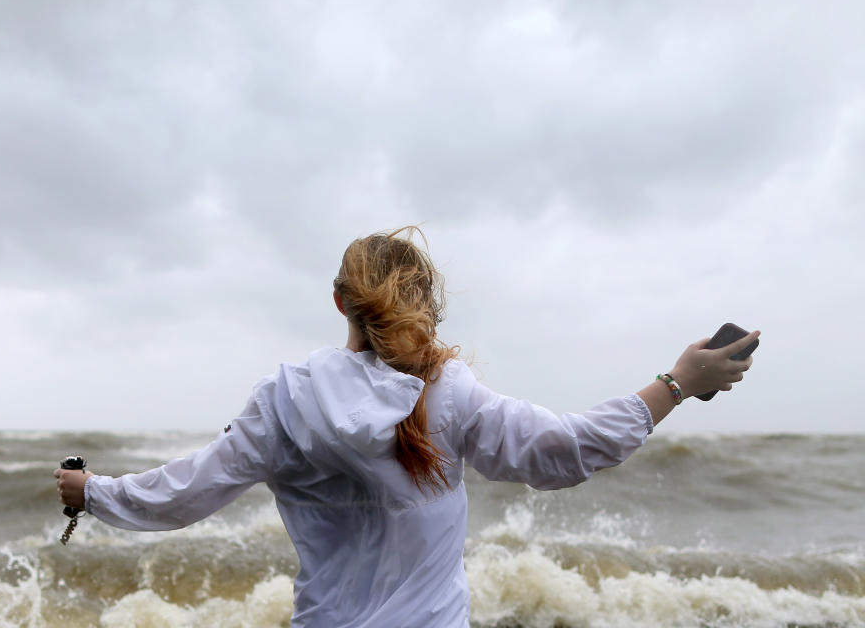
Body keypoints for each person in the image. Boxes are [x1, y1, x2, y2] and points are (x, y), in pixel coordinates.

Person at [55, 226, 758, 627]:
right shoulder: (446, 390)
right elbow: (566, 452)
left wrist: (92, 492)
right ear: (427, 306)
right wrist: (678, 383)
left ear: (339, 301)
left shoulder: (285, 398)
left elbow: (183, 495)